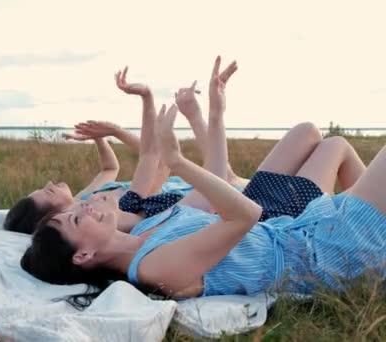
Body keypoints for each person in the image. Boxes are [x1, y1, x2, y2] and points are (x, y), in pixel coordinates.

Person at [21, 56, 382, 309]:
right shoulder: (152, 269)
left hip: (309, 226)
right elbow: (245, 215)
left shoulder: (152, 227)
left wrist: (215, 110)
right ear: (83, 255)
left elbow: (215, 180)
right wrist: (177, 161)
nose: (83, 206)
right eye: (74, 219)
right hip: (325, 254)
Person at [4, 65, 251, 234]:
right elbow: (156, 161)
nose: (50, 182)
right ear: (55, 216)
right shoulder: (120, 216)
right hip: (203, 199)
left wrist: (99, 137)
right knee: (226, 176)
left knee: (225, 176)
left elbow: (125, 164)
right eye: (48, 192)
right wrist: (117, 130)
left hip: (201, 198)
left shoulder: (101, 203)